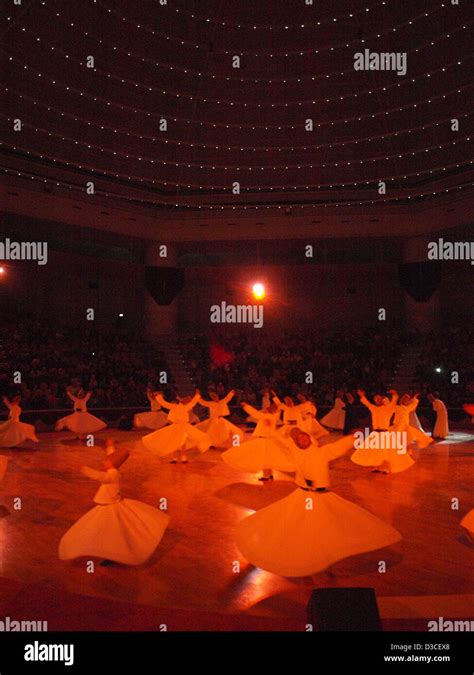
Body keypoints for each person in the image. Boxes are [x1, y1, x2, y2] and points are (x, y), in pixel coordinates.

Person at [235, 428, 401, 577]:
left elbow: (338, 447)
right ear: (297, 443)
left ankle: (320, 558)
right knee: (292, 522)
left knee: (323, 526)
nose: (304, 439)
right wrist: (272, 430)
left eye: (306, 436)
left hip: (321, 497)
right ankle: (299, 554)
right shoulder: (295, 452)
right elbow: (282, 440)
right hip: (302, 495)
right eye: (300, 438)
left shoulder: (322, 452)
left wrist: (352, 437)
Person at [59, 447, 169, 565]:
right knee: (111, 531)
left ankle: (111, 554)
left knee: (109, 530)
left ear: (111, 464)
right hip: (109, 505)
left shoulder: (112, 475)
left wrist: (83, 469)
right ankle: (110, 553)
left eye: (106, 462)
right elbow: (106, 469)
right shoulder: (113, 473)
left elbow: (99, 476)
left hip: (110, 507)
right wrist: (110, 448)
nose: (103, 463)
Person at [223, 401, 295, 481]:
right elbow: (275, 413)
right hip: (269, 440)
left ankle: (266, 476)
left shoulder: (265, 416)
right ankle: (270, 474)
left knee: (264, 459)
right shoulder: (273, 417)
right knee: (268, 458)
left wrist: (246, 406)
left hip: (264, 440)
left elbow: (255, 413)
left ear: (268, 410)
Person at [141, 390, 210, 463]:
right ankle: (174, 458)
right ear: (182, 400)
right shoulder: (174, 406)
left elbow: (193, 403)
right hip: (176, 426)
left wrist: (197, 395)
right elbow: (164, 404)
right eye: (186, 399)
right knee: (173, 442)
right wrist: (158, 397)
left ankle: (183, 457)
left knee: (183, 442)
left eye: (188, 400)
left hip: (183, 426)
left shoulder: (186, 407)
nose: (188, 401)